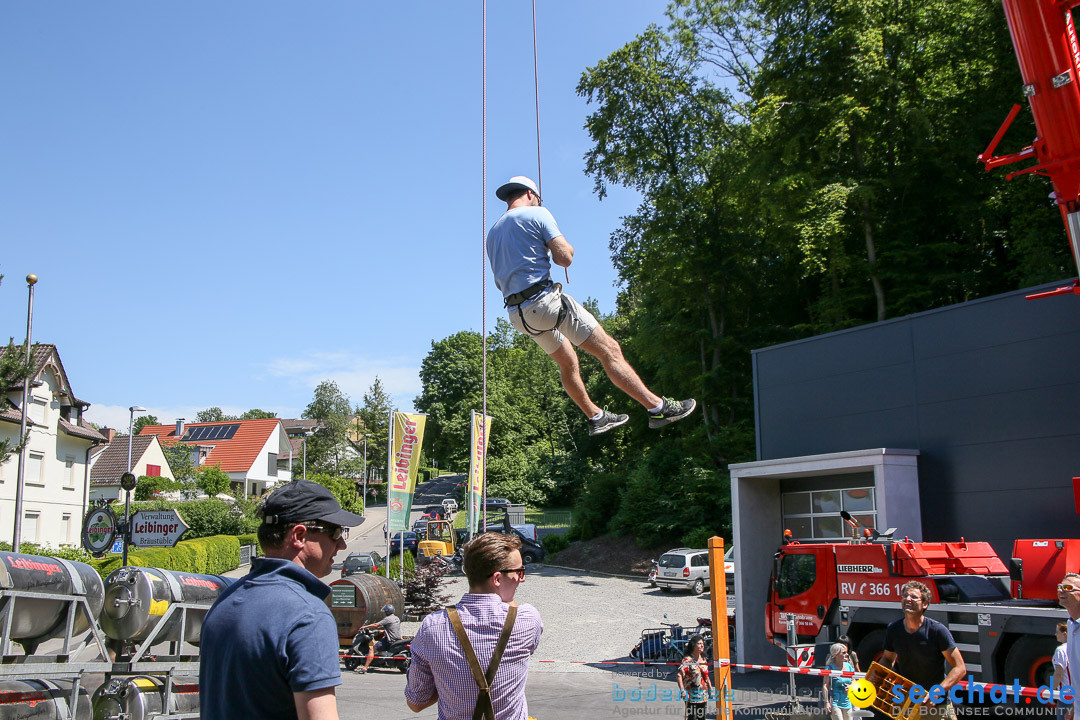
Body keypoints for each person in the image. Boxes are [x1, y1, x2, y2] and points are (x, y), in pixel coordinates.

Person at [486, 175, 696, 436]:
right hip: (545, 302)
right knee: (610, 349)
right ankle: (658, 408)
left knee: (568, 362)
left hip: (518, 315)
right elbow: (565, 258)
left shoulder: (492, 233)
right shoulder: (537, 214)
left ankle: (596, 416)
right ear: (531, 194)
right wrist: (560, 247)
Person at [199, 479, 363, 720]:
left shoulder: (225, 600)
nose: (342, 543)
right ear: (299, 535)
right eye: (335, 531)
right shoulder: (308, 615)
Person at [404, 532, 543, 719]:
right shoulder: (527, 620)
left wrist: (447, 681)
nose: (521, 579)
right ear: (497, 579)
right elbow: (513, 609)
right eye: (519, 572)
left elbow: (416, 703)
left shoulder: (432, 627)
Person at [880, 580, 965, 719]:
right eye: (905, 596)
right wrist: (879, 677)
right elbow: (888, 659)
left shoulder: (937, 631)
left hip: (937, 706)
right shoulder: (893, 630)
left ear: (924, 604)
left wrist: (937, 692)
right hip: (908, 704)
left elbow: (960, 668)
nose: (908, 599)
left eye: (913, 597)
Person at [356, 603, 403, 673]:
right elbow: (392, 628)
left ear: (387, 612)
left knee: (371, 649)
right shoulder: (397, 618)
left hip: (389, 640)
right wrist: (381, 631)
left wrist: (365, 627)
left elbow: (376, 625)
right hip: (398, 639)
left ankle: (365, 668)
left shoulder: (387, 619)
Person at [1058, 573, 1080, 720]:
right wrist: (1073, 707)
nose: (1061, 591)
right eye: (1059, 587)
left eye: (1067, 588)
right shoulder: (1071, 625)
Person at [676, 634, 712, 720]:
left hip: (703, 693)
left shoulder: (703, 659)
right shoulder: (688, 660)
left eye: (702, 643)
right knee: (692, 717)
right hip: (691, 694)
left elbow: (706, 675)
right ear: (693, 645)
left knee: (702, 717)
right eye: (699, 643)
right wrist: (682, 690)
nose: (702, 645)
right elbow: (679, 675)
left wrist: (710, 688)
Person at [822, 642, 854, 720]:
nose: (846, 654)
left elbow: (854, 680)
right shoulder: (829, 668)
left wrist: (851, 686)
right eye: (843, 653)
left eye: (846, 652)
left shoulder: (849, 666)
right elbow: (825, 685)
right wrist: (826, 702)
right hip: (835, 703)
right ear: (835, 655)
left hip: (847, 702)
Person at [1053, 621, 1071, 720]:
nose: (1055, 634)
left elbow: (1058, 674)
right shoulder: (1075, 647)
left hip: (1066, 694)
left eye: (1057, 632)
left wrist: (1051, 691)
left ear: (1064, 634)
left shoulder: (1060, 650)